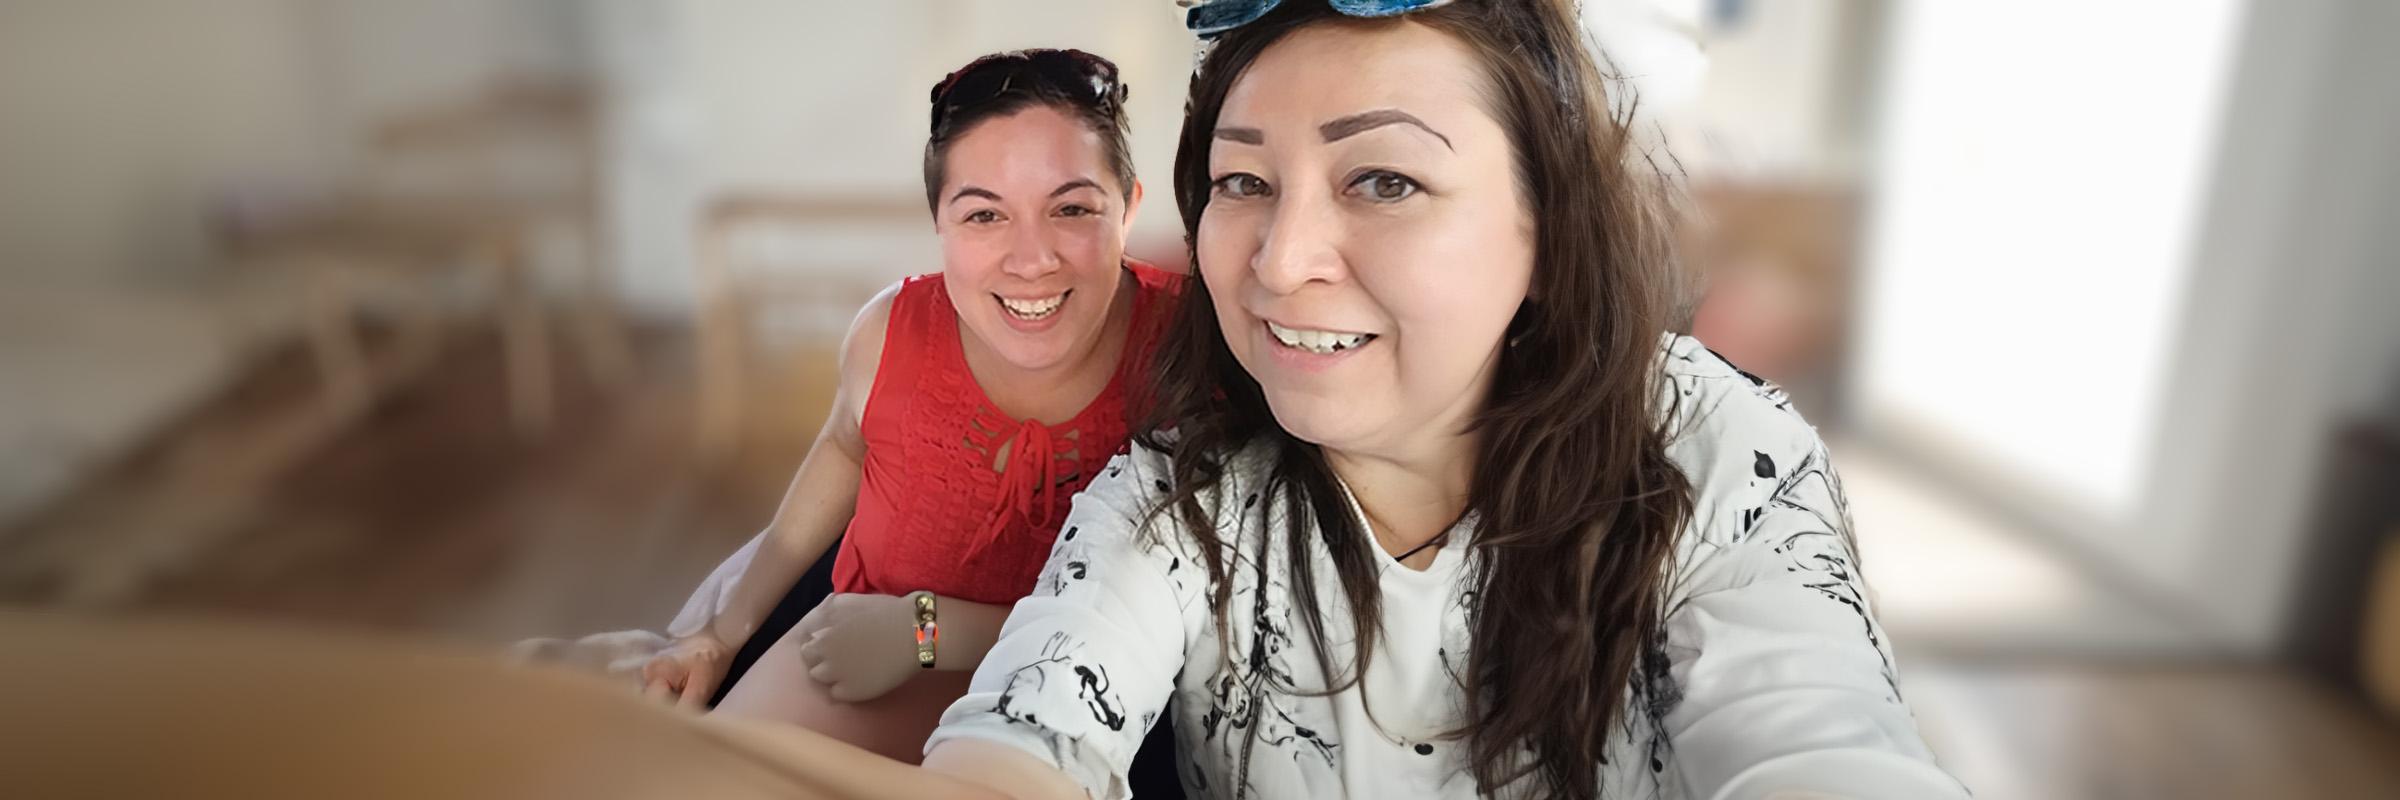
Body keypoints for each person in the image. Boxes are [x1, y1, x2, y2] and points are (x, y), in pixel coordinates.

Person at [687, 1, 1971, 797]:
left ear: (1545, 221)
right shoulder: (1181, 478)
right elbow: (1021, 739)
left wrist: (913, 628)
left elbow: (1819, 740)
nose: (1282, 257)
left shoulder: (1718, 459)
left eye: (1386, 182)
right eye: (1245, 183)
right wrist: (654, 683)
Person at [636, 48, 1181, 766]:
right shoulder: (889, 332)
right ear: (939, 223)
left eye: (1072, 209)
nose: (1031, 258)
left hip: (1063, 711)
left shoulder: (1187, 354)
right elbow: (843, 446)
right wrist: (724, 629)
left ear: (1129, 208)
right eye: (985, 215)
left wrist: (926, 633)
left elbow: (1172, 619)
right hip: (848, 658)